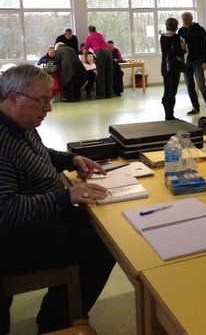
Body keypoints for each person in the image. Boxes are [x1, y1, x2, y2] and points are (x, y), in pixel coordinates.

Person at [0, 65, 115, 333]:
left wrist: (71, 159)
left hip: (41, 218)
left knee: (104, 225)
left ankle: (61, 311)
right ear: (13, 98)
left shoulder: (23, 124)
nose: (48, 108)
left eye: (49, 100)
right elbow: (5, 210)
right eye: (42, 101)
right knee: (101, 246)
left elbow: (41, 153)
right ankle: (56, 323)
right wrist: (65, 196)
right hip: (14, 238)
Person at [179, 12, 206, 116]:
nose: (185, 21)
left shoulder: (200, 30)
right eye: (183, 19)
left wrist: (204, 61)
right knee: (189, 86)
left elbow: (204, 47)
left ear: (191, 19)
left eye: (187, 19)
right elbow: (180, 47)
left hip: (198, 61)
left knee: (201, 85)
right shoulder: (181, 31)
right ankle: (195, 108)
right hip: (186, 63)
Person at [160, 18, 187, 120]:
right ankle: (170, 115)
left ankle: (167, 114)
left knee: (166, 90)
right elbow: (178, 52)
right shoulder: (176, 37)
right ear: (176, 26)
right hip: (174, 67)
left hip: (164, 67)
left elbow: (166, 51)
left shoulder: (162, 37)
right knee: (172, 92)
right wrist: (184, 48)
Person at [82, 26, 114, 99]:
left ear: (89, 31)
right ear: (95, 30)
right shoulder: (100, 35)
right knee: (109, 74)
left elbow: (86, 50)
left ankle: (101, 95)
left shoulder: (89, 37)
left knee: (100, 75)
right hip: (108, 53)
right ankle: (109, 94)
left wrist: (86, 60)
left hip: (100, 53)